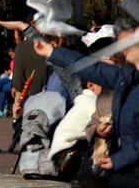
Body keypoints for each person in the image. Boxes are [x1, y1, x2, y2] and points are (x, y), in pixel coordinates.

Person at [35, 28, 139, 187]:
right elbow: (91, 68)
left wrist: (118, 159)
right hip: (124, 169)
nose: (123, 48)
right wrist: (51, 51)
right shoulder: (127, 76)